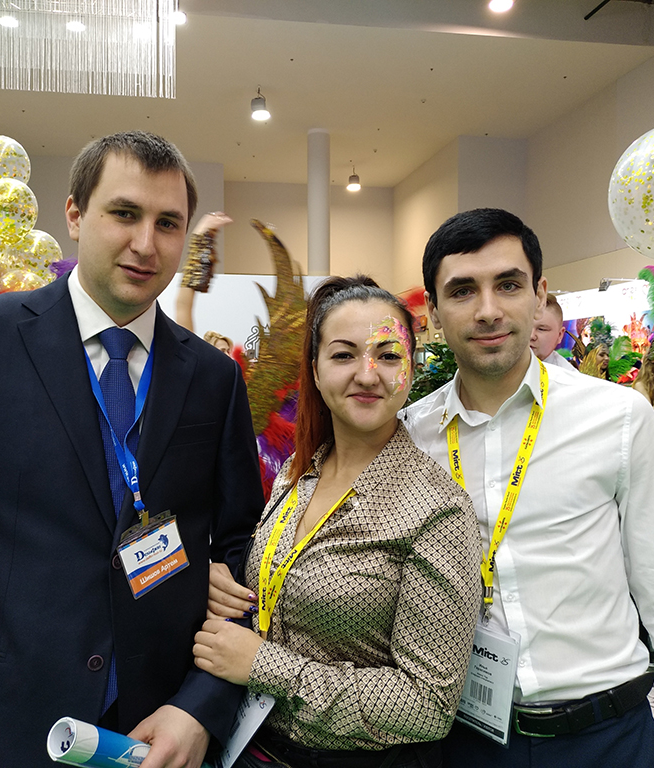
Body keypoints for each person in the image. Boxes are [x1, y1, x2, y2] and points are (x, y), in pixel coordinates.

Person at [0, 131, 265, 768]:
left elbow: (247, 552)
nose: (146, 243)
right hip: (3, 726)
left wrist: (200, 708)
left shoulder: (213, 378)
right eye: (124, 213)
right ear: (75, 216)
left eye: (168, 223)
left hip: (157, 730)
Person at [401, 208, 654, 768]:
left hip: (608, 737)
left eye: (508, 285)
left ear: (539, 295)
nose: (488, 310)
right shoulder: (412, 437)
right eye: (462, 291)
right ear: (434, 314)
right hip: (465, 743)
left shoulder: (616, 417)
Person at [192, 276, 483, 768]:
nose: (367, 375)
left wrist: (266, 666)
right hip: (254, 746)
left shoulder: (436, 509)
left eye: (388, 355)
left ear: (411, 368)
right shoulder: (298, 471)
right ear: (315, 369)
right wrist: (225, 581)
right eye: (344, 355)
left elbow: (429, 705)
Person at [528, 293, 574, 370]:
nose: (531, 336)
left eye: (541, 329)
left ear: (560, 335)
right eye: (527, 327)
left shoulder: (568, 375)